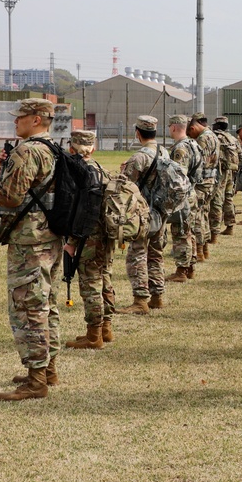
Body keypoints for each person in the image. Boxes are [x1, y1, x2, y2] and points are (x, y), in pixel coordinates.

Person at [0, 99, 62, 401]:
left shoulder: (28, 151)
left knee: (30, 308)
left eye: (20, 118)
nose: (15, 122)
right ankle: (48, 368)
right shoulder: (53, 148)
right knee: (45, 303)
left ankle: (36, 381)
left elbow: (8, 196)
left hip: (30, 241)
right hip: (49, 237)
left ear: (35, 119)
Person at [64, 130, 117, 349]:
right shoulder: (102, 170)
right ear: (93, 149)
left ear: (71, 148)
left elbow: (80, 212)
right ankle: (106, 328)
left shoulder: (77, 173)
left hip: (88, 237)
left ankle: (94, 335)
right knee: (104, 278)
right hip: (107, 235)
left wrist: (72, 242)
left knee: (90, 284)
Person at [118, 116, 168, 314]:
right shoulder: (164, 152)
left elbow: (124, 185)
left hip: (142, 214)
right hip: (161, 211)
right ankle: (157, 296)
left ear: (137, 133)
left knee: (137, 254)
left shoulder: (139, 157)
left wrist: (122, 171)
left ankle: (140, 300)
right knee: (156, 254)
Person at [165, 115, 201, 283]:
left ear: (173, 128)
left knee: (181, 233)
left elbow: (178, 177)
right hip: (192, 192)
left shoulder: (181, 149)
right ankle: (190, 267)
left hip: (183, 195)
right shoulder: (194, 144)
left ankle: (181, 271)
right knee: (189, 231)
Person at [188, 113, 219, 253]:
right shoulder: (213, 135)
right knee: (204, 212)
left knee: (197, 216)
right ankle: (204, 246)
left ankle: (199, 249)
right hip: (211, 180)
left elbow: (199, 163)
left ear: (193, 128)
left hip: (201, 182)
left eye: (190, 133)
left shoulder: (203, 139)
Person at [212, 116, 242, 236]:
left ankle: (214, 230)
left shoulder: (215, 137)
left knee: (217, 200)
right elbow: (241, 156)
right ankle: (230, 226)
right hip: (231, 172)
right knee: (228, 198)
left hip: (220, 171)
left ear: (217, 125)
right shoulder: (232, 138)